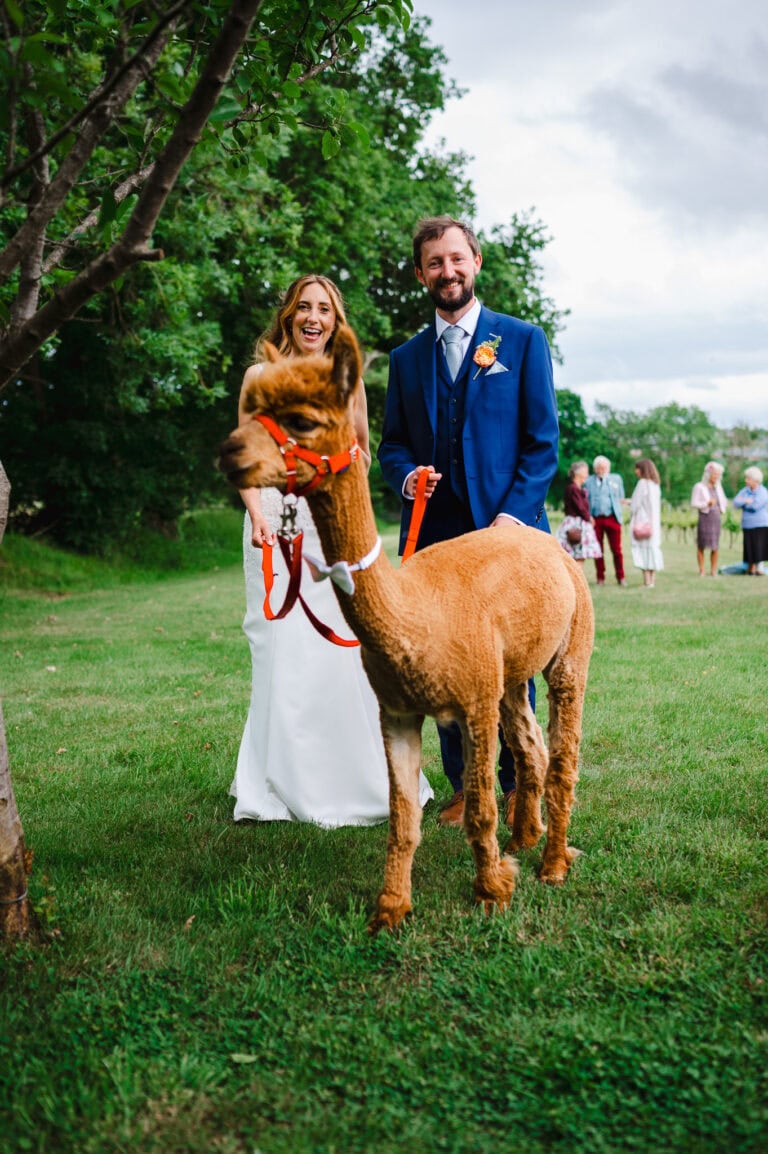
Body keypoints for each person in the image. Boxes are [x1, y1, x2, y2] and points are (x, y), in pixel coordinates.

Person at [377, 215, 559, 829]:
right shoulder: (405, 360)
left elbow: (542, 445)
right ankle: (461, 787)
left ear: (475, 262)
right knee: (441, 665)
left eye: (457, 259)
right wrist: (407, 479)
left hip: (508, 539)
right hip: (435, 541)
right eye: (435, 262)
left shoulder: (522, 340)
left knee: (510, 665)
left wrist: (512, 521)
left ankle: (517, 784)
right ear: (421, 273)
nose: (447, 271)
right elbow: (393, 446)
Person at [231, 274, 433, 826]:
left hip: (328, 531)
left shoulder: (348, 379)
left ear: (335, 318)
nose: (314, 317)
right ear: (289, 314)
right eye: (304, 307)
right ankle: (276, 782)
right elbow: (246, 458)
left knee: (346, 651)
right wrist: (258, 517)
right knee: (278, 647)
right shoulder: (260, 375)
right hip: (272, 529)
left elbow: (363, 453)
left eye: (324, 308)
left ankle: (364, 779)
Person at [584, 455, 626, 585]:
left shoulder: (616, 479)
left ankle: (621, 577)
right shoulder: (588, 482)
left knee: (617, 550)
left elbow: (621, 497)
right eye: (599, 468)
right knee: (598, 550)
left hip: (612, 518)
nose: (601, 470)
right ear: (595, 469)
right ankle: (600, 577)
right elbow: (585, 501)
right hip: (596, 519)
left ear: (608, 468)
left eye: (604, 467)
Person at [556, 460, 603, 565]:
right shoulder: (573, 488)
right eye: (586, 472)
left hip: (578, 521)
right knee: (577, 555)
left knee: (579, 555)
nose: (587, 474)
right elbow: (580, 507)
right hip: (576, 523)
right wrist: (589, 518)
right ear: (579, 473)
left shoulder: (577, 488)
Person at [628, 457, 664, 587]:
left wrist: (629, 504)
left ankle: (646, 581)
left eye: (637, 468)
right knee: (652, 551)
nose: (635, 471)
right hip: (653, 524)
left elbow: (635, 505)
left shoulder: (642, 483)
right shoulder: (655, 485)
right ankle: (652, 581)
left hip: (642, 523)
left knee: (643, 551)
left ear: (642, 469)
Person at [691, 461, 727, 577]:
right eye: (714, 474)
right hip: (705, 518)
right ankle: (702, 570)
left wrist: (722, 508)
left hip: (716, 518)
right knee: (701, 545)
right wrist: (706, 503)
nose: (716, 477)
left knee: (715, 545)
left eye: (718, 474)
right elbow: (694, 503)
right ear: (708, 474)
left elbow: (723, 501)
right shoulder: (699, 487)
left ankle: (713, 570)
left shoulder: (719, 487)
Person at [732, 466, 768, 575]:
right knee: (749, 546)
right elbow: (735, 503)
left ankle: (759, 568)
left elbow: (755, 506)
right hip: (747, 524)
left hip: (760, 523)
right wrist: (746, 501)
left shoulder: (763, 491)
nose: (746, 480)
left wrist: (744, 503)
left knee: (759, 546)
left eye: (748, 478)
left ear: (755, 480)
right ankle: (750, 568)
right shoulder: (745, 491)